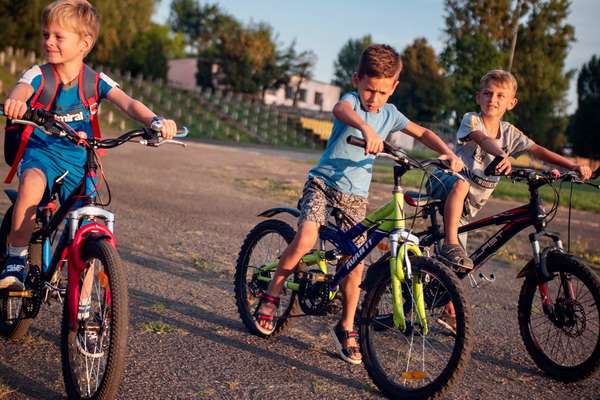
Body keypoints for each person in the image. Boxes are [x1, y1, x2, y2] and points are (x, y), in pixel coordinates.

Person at [254, 44, 464, 365]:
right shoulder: (353, 103)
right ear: (356, 80)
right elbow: (341, 110)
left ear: (393, 87)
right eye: (369, 89)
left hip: (355, 196)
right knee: (308, 238)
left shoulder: (391, 113)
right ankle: (273, 292)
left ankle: (347, 326)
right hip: (323, 183)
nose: (374, 98)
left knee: (356, 260)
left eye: (382, 92)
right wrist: (365, 127)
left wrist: (447, 154)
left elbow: (421, 132)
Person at [0, 0, 177, 290]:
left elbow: (129, 103)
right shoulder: (39, 74)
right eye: (46, 34)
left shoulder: (95, 80)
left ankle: (83, 291)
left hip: (80, 160)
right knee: (31, 187)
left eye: (58, 36)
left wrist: (155, 121)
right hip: (42, 153)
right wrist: (17, 101)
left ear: (84, 42)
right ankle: (15, 258)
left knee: (86, 218)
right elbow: (22, 88)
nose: (49, 42)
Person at [427, 69, 592, 333]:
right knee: (460, 188)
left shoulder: (510, 132)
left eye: (500, 95)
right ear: (478, 97)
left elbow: (538, 150)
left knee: (458, 268)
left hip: (465, 209)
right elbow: (482, 139)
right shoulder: (472, 120)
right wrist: (501, 154)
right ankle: (449, 244)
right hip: (443, 185)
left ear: (511, 103)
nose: (493, 99)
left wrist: (572, 165)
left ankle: (446, 308)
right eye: (488, 93)